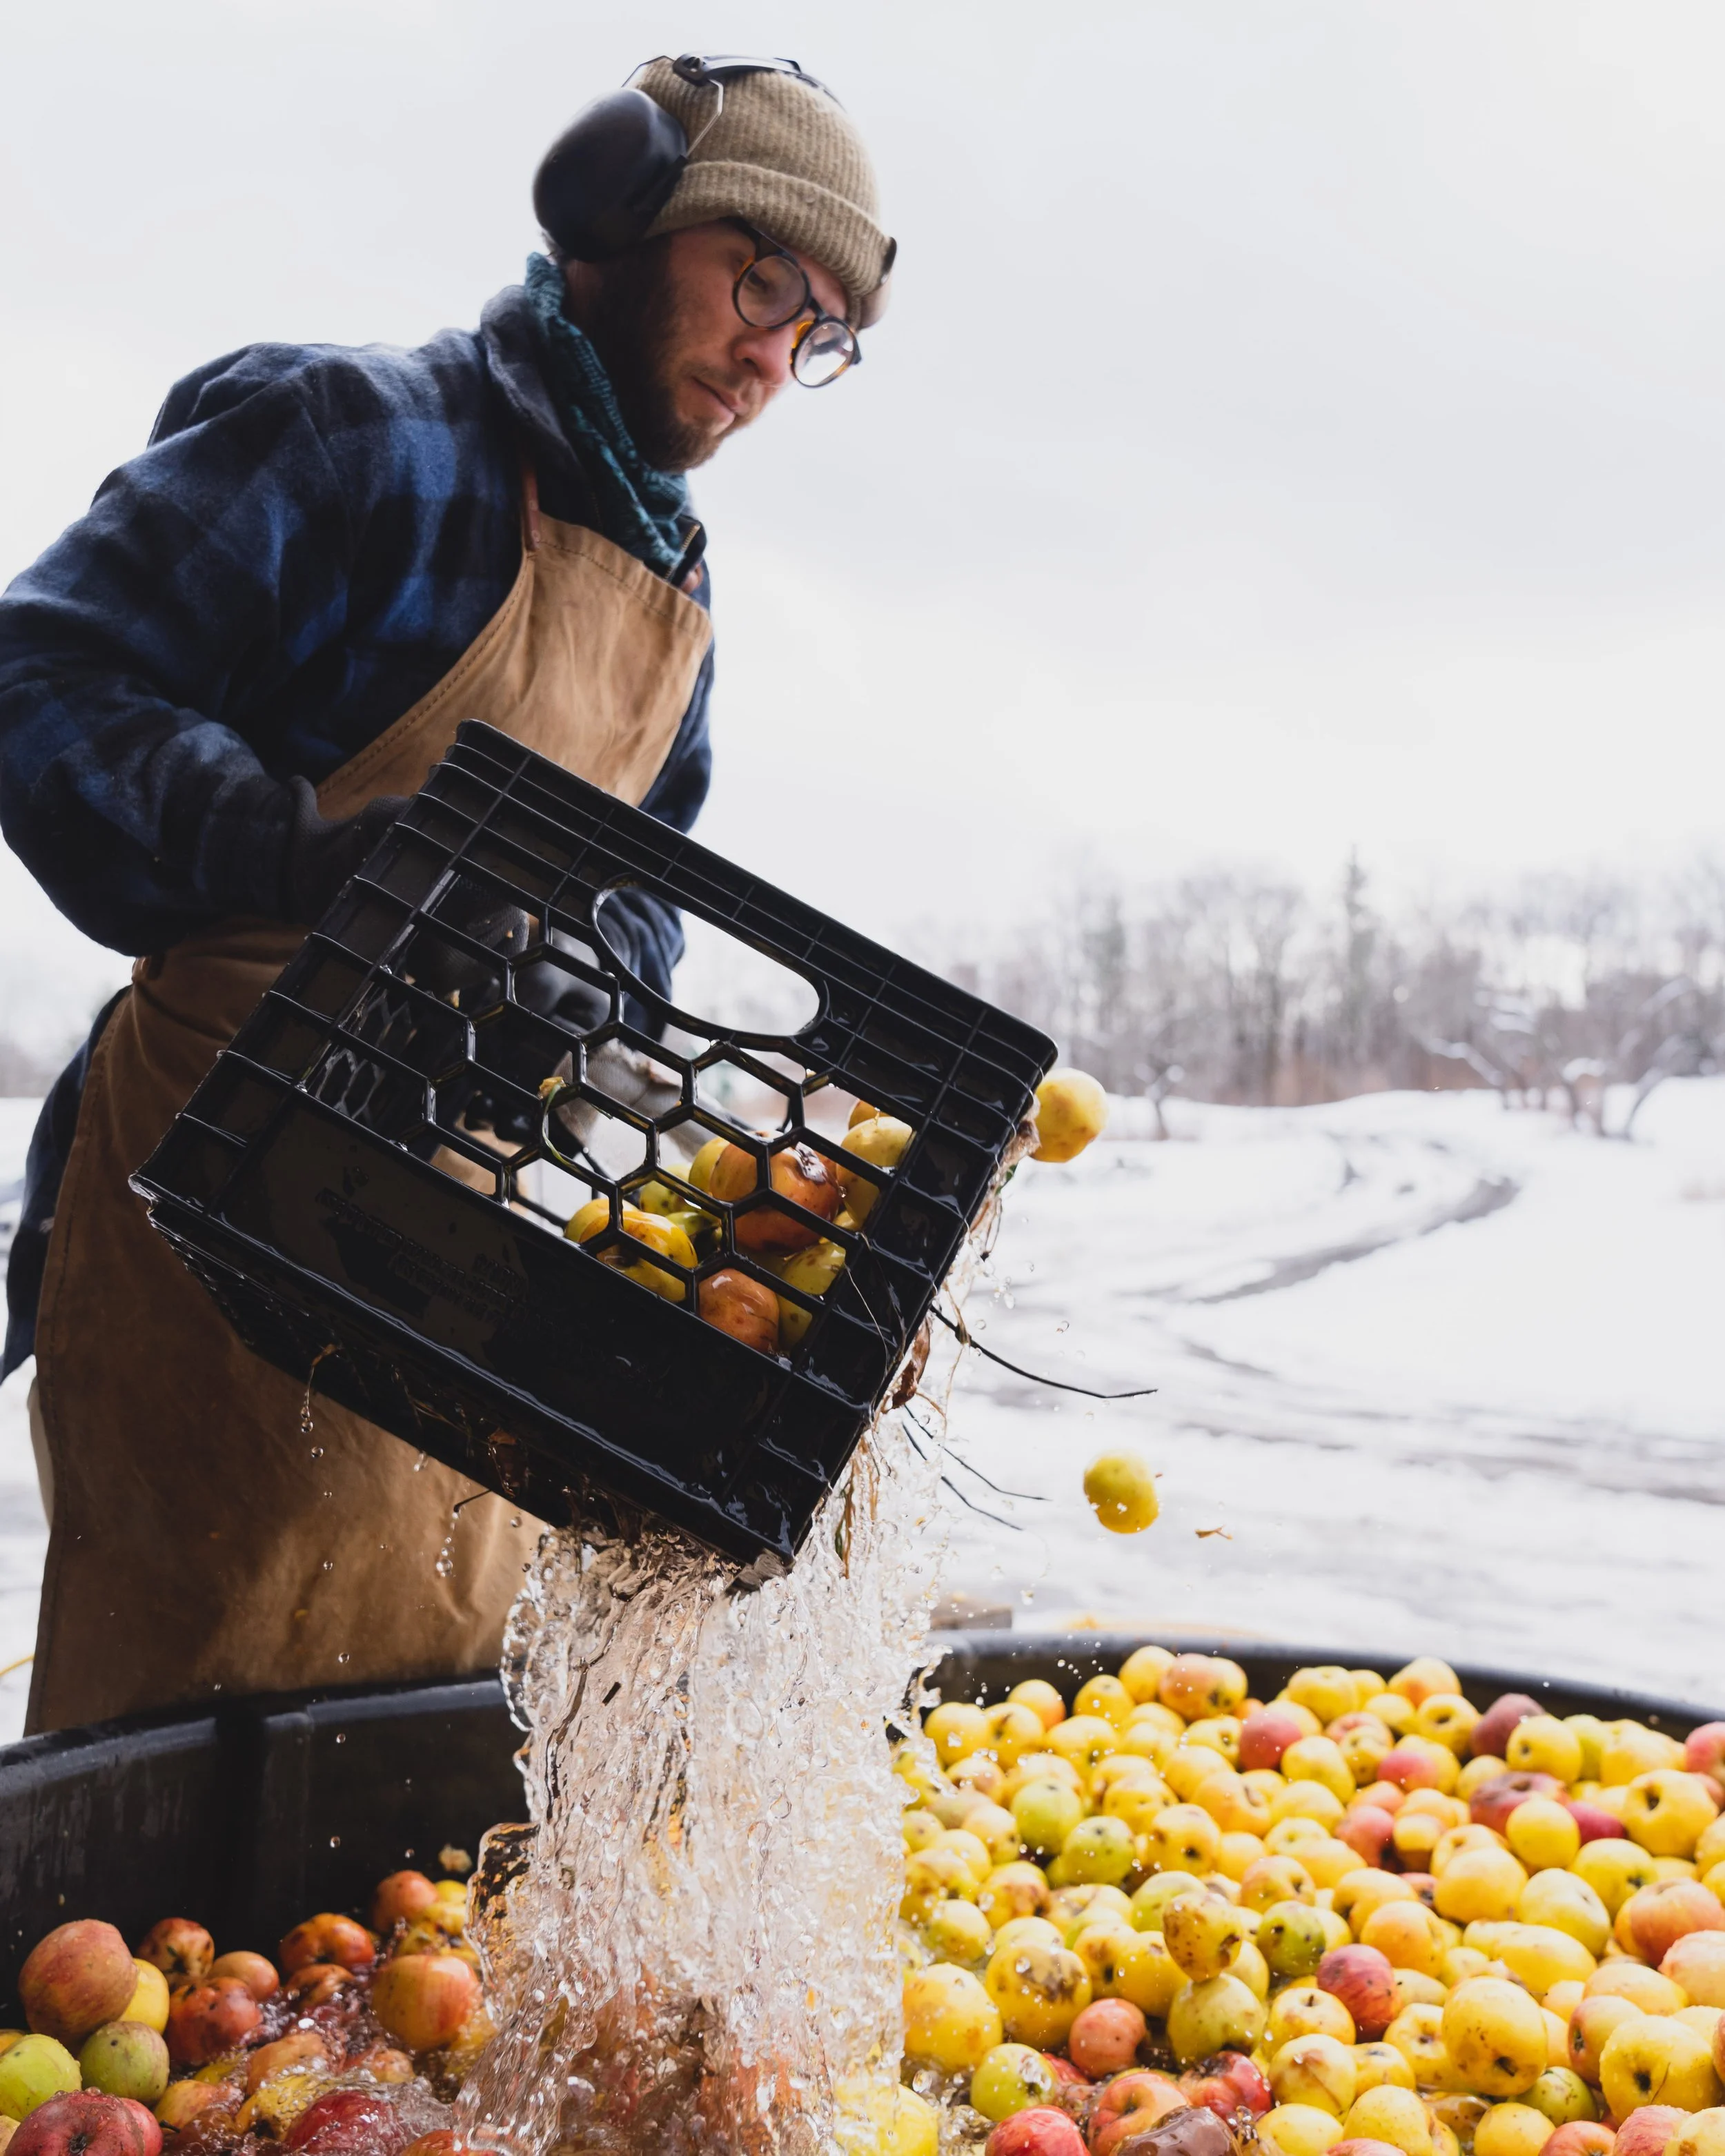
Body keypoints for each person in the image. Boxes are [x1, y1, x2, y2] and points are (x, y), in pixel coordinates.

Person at [0, 55, 894, 1734]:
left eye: (821, 328)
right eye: (759, 277)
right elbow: (48, 670)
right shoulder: (356, 443)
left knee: (410, 1770)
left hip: (455, 1257)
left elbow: (645, 895)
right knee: (161, 1796)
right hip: (209, 1200)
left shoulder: (677, 591)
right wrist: (312, 856)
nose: (774, 354)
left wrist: (584, 988)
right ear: (610, 216)